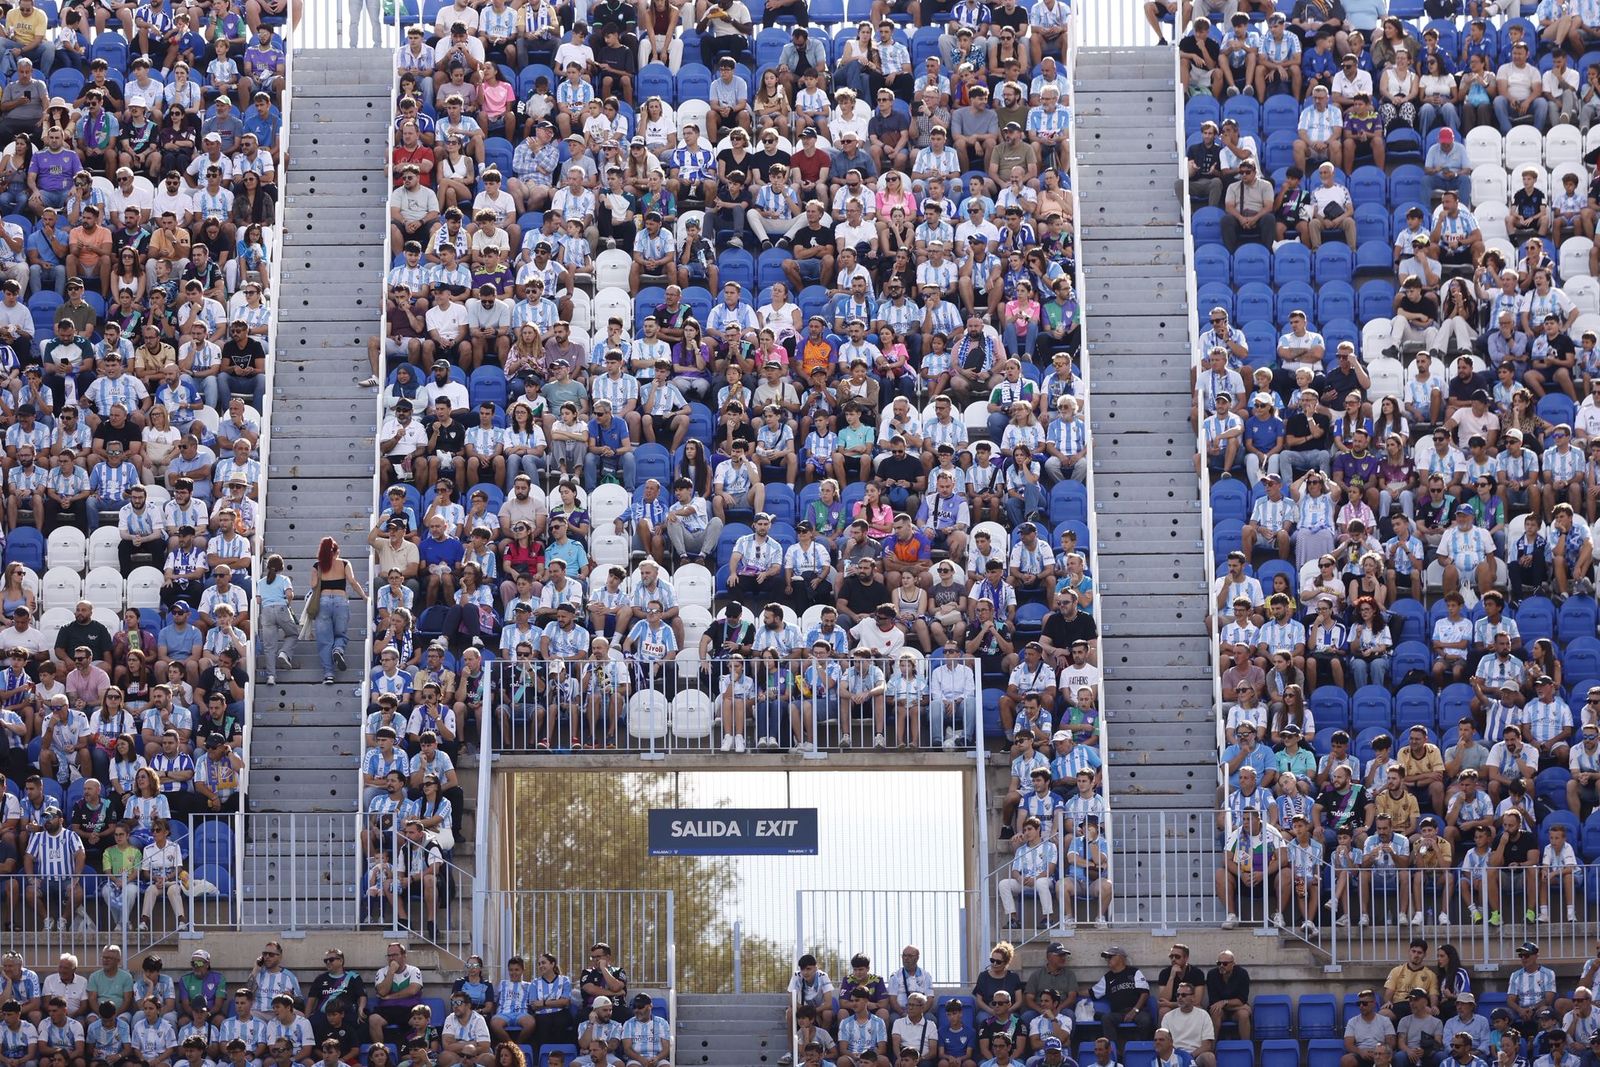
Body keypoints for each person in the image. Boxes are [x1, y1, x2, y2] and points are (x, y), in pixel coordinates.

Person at [309, 537, 366, 685]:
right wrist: (364, 597)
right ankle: (338, 649)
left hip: (323, 601)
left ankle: (328, 674)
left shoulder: (317, 565)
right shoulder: (345, 563)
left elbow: (314, 585)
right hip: (341, 601)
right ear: (337, 551)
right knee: (340, 633)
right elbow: (353, 582)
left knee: (324, 639)